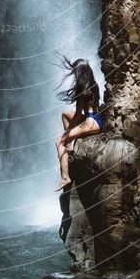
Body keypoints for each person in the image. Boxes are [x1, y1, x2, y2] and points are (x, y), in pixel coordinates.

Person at [55, 56, 103, 191]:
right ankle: (70, 145)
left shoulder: (82, 88)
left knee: (59, 141)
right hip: (96, 119)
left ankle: (65, 177)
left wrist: (67, 133)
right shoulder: (94, 84)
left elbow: (77, 114)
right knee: (65, 114)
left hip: (90, 123)